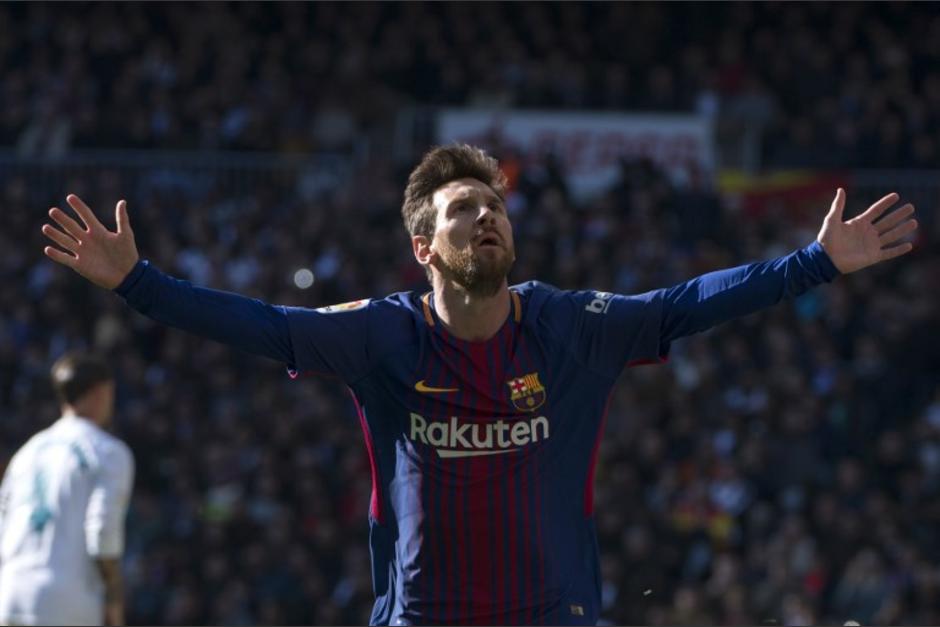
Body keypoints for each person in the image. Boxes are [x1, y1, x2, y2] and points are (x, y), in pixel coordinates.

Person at [39, 144, 918, 626]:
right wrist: (138, 284)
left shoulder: (570, 324)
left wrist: (813, 263)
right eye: (464, 209)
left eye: (493, 204)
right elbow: (267, 328)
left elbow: (684, 304)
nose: (486, 215)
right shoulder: (382, 333)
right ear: (425, 247)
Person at [0, 352, 134, 626]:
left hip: (11, 593)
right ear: (102, 392)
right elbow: (102, 533)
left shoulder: (27, 452)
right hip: (68, 600)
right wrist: (114, 602)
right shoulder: (108, 452)